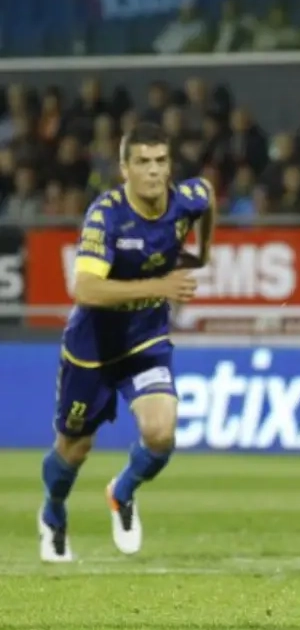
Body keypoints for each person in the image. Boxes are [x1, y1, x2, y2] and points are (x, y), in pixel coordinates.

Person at [39, 122, 215, 563]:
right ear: (125, 169)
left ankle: (122, 491)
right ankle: (54, 512)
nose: (153, 171)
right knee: (73, 450)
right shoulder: (107, 216)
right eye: (143, 162)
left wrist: (203, 252)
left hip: (145, 342)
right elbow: (85, 289)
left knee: (161, 434)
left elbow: (208, 195)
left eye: (161, 161)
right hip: (92, 349)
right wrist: (161, 285)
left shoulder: (186, 200)